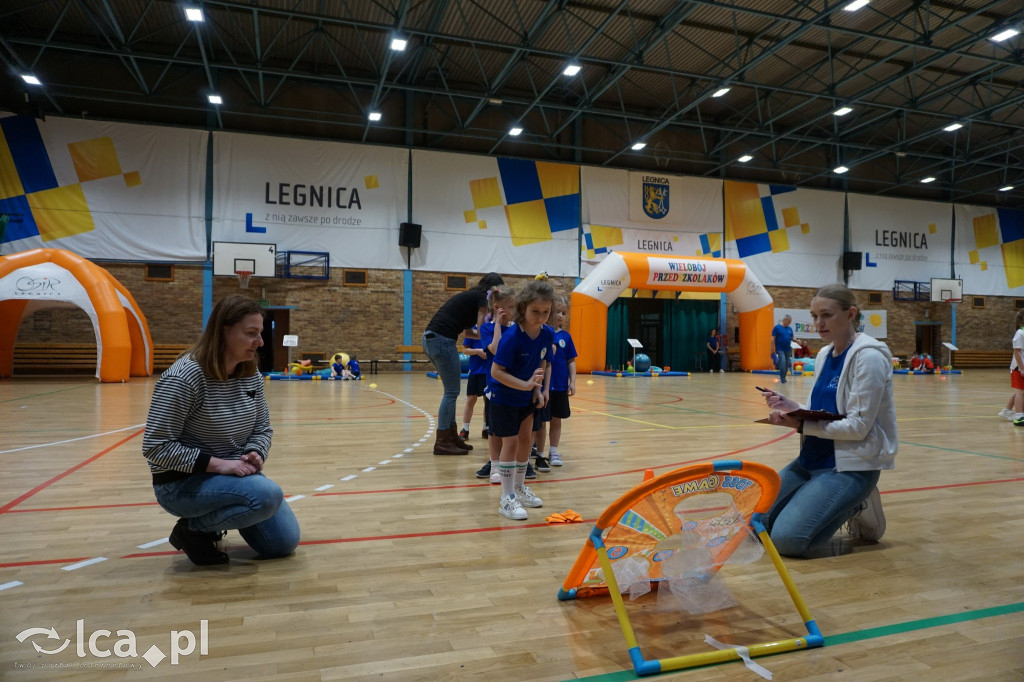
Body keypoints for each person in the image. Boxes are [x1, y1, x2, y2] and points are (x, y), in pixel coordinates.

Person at [142, 295, 300, 566]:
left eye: (260, 333)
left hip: (233, 477)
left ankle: (216, 516)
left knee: (282, 544)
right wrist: (219, 465)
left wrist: (255, 452)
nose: (260, 342)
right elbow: (156, 447)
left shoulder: (250, 374)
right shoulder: (183, 378)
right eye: (251, 333)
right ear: (223, 331)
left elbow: (263, 428)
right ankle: (193, 530)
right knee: (268, 495)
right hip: (181, 485)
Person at [760, 284, 896, 558]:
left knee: (787, 541)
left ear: (851, 314)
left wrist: (799, 425)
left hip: (849, 467)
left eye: (826, 315)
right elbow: (820, 412)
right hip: (810, 461)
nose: (818, 323)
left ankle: (856, 502)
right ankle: (834, 500)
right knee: (757, 526)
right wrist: (792, 408)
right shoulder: (824, 354)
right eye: (814, 316)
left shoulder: (869, 357)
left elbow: (858, 427)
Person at [488, 280, 556, 520]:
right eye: (535, 312)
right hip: (503, 395)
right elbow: (496, 372)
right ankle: (506, 498)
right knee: (512, 441)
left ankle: (518, 488)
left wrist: (539, 390)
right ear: (523, 308)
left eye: (545, 312)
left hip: (526, 396)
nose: (540, 317)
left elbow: (543, 361)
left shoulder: (547, 333)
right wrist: (526, 385)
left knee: (527, 439)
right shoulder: (512, 337)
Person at [423, 272, 505, 455]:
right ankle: (443, 440)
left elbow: (469, 333)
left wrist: (487, 339)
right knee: (452, 392)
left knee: (451, 391)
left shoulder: (472, 297)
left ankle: (451, 436)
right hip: (440, 340)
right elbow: (481, 327)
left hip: (432, 339)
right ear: (493, 289)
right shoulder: (483, 298)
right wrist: (493, 340)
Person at [469, 286, 517, 483]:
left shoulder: (516, 329)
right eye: (510, 307)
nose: (514, 311)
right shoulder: (487, 329)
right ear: (497, 308)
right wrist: (497, 324)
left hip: (514, 386)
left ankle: (513, 463)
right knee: (494, 429)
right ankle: (494, 465)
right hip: (495, 386)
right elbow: (495, 349)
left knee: (513, 429)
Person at [544, 296, 577, 467]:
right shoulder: (542, 333)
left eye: (563, 313)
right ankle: (538, 451)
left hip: (560, 386)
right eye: (557, 311)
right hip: (543, 386)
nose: (560, 316)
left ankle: (554, 452)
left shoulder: (566, 337)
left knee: (556, 419)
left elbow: (571, 361)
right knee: (541, 421)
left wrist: (572, 382)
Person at [1004, 310, 1024, 424]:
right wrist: (1022, 368)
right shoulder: (1020, 333)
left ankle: (1007, 410)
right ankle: (1019, 416)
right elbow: (1017, 352)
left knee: (1020, 391)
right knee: (1020, 391)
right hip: (1018, 367)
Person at [772, 315, 795, 383]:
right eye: (789, 321)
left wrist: (796, 340)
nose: (789, 323)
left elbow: (792, 337)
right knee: (783, 361)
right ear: (784, 320)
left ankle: (784, 377)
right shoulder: (777, 327)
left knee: (787, 363)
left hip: (788, 348)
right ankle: (782, 377)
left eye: (790, 322)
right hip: (780, 348)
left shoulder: (790, 329)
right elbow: (773, 338)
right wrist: (772, 348)